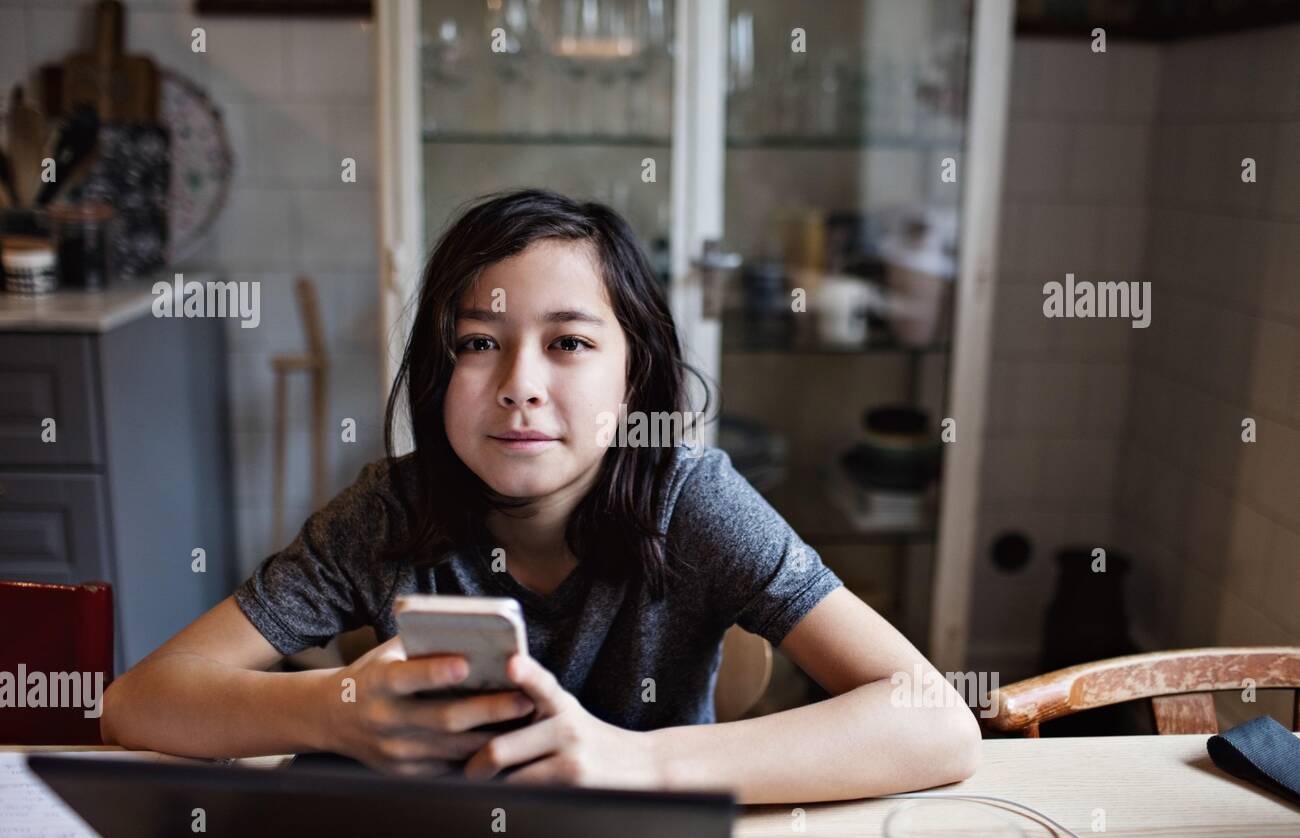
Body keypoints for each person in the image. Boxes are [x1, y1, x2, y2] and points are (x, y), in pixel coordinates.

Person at [102, 188, 980, 804]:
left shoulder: (693, 502)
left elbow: (936, 723)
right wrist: (331, 710)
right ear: (439, 372)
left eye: (567, 344)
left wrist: (637, 765)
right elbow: (137, 704)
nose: (519, 384)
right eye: (479, 343)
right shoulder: (388, 513)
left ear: (634, 379)